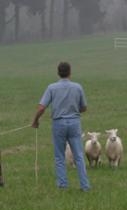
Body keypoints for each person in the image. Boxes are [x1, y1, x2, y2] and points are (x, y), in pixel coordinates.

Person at [32, 62, 90, 192]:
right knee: (79, 155)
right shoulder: (77, 87)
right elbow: (84, 107)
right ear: (70, 72)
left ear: (58, 73)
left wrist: (35, 120)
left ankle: (63, 185)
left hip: (58, 123)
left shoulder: (52, 88)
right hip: (75, 122)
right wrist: (74, 110)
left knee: (59, 156)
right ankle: (85, 186)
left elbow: (42, 107)